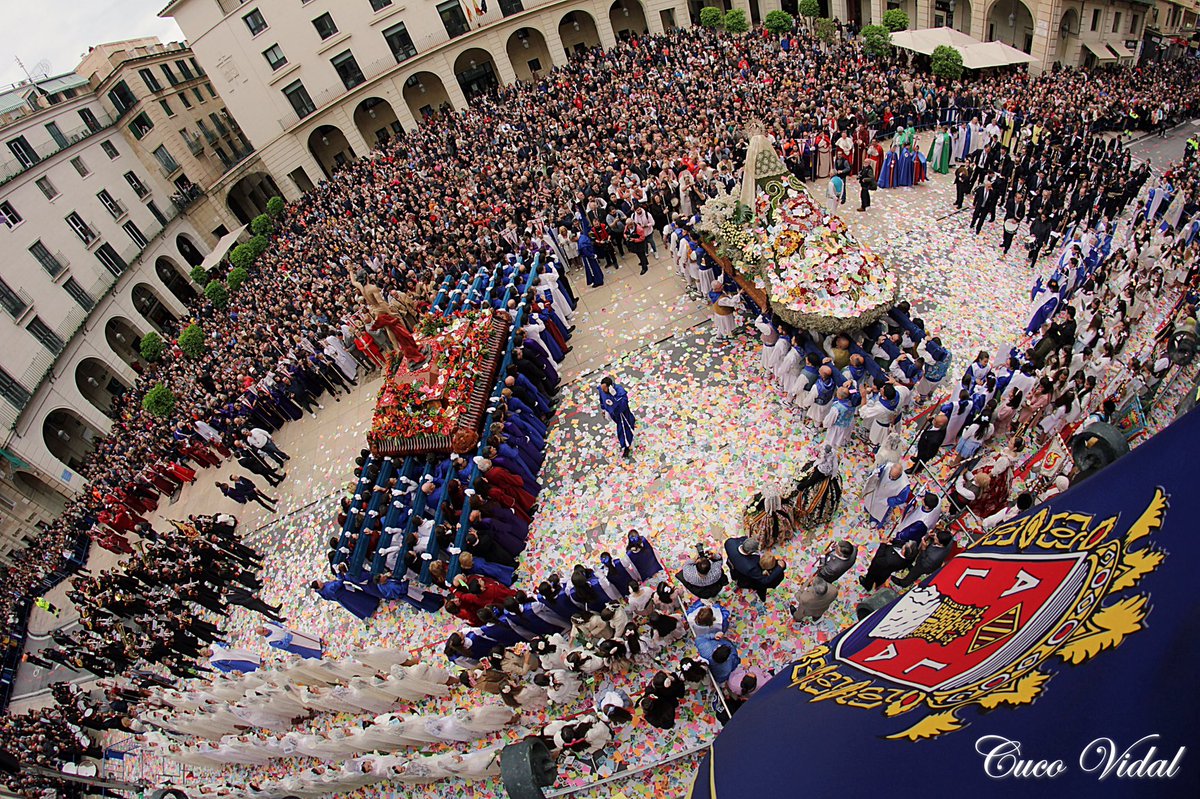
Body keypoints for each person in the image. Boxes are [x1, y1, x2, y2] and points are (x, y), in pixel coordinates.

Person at [862, 461, 911, 528]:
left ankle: (875, 520)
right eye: (890, 476)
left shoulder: (904, 485)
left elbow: (901, 499)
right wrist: (876, 474)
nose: (891, 478)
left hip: (885, 500)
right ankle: (867, 510)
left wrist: (887, 501)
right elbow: (878, 471)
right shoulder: (886, 467)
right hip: (877, 490)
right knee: (870, 501)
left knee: (879, 511)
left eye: (893, 477)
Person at [598, 375, 636, 458]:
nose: (603, 390)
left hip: (621, 414)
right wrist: (604, 409)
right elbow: (601, 399)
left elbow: (624, 404)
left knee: (623, 430)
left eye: (605, 389)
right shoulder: (602, 390)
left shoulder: (620, 391)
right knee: (628, 420)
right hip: (612, 413)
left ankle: (626, 445)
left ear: (610, 387)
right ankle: (632, 420)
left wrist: (615, 396)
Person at [257, 623, 323, 659]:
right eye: (263, 631)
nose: (265, 629)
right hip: (292, 643)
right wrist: (288, 635)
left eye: (264, 628)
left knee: (305, 638)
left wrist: (282, 626)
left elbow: (275, 623)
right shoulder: (271, 641)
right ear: (262, 634)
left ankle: (317, 641)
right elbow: (284, 645)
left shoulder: (267, 625)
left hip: (292, 633)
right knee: (305, 647)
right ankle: (317, 653)